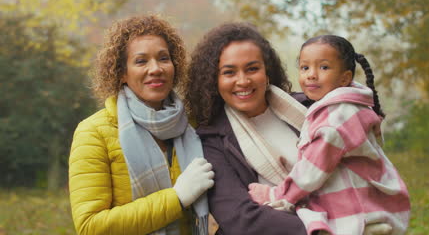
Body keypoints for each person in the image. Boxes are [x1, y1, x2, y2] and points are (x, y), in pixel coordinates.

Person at [184, 23, 393, 235]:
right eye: (229, 72)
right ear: (214, 80)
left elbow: (363, 164)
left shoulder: (314, 108)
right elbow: (240, 218)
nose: (243, 81)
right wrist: (330, 230)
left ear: (267, 71)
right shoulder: (211, 141)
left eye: (252, 69)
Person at [248, 35, 411, 235]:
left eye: (323, 67)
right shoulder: (350, 105)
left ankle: (365, 228)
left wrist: (274, 194)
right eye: (305, 67)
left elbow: (311, 172)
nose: (311, 75)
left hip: (356, 206)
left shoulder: (337, 119)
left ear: (345, 78)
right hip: (369, 197)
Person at [68, 14, 214, 235]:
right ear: (122, 73)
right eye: (141, 61)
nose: (155, 68)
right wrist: (177, 198)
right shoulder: (93, 132)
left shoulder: (193, 125)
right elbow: (90, 226)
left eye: (164, 58)